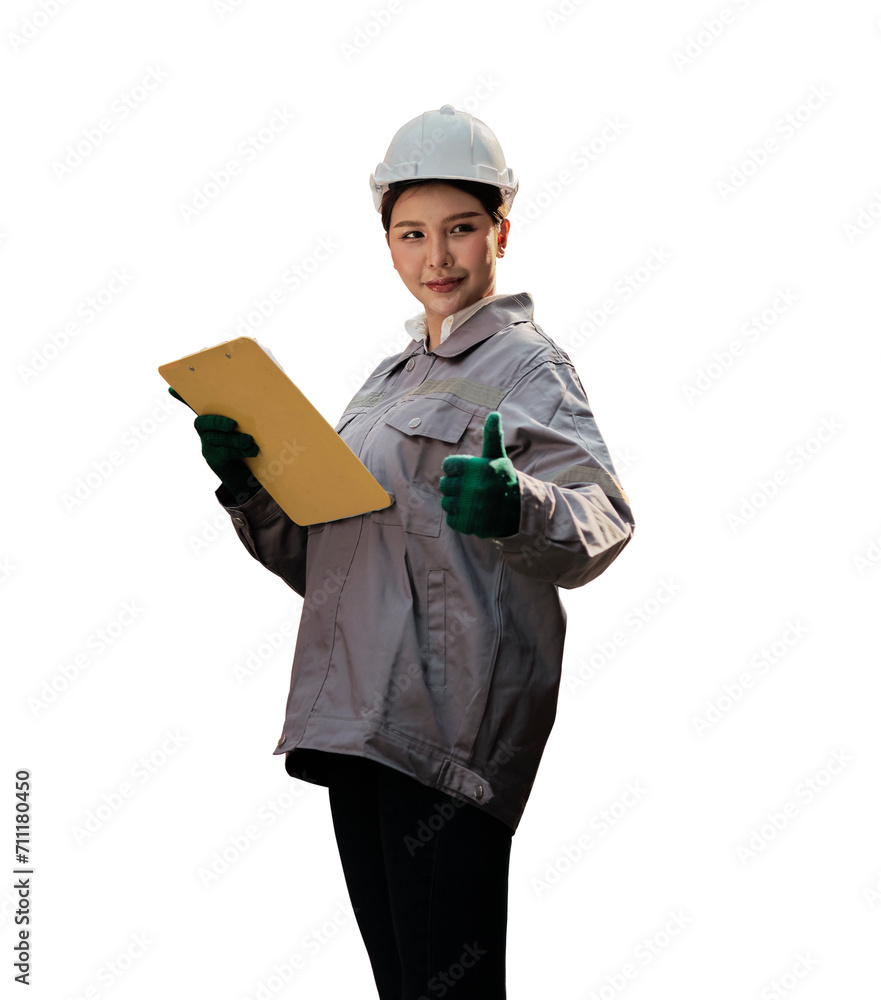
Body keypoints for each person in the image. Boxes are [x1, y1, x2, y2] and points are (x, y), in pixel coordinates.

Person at [172, 104, 635, 999]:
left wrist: (516, 503)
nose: (437, 257)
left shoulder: (528, 367)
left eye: (460, 229)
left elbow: (602, 518)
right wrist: (249, 487)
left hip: (448, 723)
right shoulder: (381, 387)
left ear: (500, 229)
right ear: (386, 243)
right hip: (360, 721)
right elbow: (332, 563)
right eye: (412, 233)